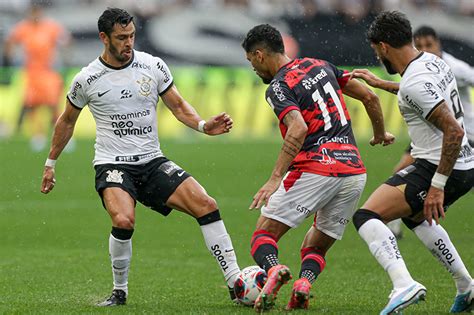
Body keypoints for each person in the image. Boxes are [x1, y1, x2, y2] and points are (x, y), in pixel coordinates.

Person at [40, 8, 240, 307]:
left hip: (151, 160)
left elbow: (178, 105)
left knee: (207, 205)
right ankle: (119, 292)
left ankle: (237, 282)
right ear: (103, 38)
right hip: (113, 165)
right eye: (121, 38)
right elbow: (66, 121)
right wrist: (50, 164)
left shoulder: (152, 65)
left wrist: (202, 125)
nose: (129, 42)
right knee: (124, 219)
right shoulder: (87, 78)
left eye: (132, 35)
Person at [241, 24, 394, 312]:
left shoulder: (279, 86)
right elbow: (370, 97)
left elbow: (297, 129)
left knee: (263, 236)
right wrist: (380, 134)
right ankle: (304, 284)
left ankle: (273, 271)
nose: (254, 69)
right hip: (353, 171)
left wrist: (275, 179)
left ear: (259, 55)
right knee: (316, 245)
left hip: (315, 166)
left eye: (251, 62)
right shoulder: (321, 65)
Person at [350, 11, 474, 314]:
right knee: (416, 217)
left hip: (441, 167)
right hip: (465, 164)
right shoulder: (432, 61)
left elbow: (454, 131)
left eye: (376, 51)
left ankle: (403, 283)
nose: (378, 56)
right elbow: (419, 92)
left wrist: (437, 186)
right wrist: (381, 84)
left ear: (383, 46)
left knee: (366, 216)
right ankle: (467, 287)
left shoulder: (413, 82)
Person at [4, 2, 71, 151]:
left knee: (53, 105)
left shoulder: (51, 27)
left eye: (36, 12)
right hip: (32, 73)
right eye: (32, 12)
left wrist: (65, 59)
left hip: (48, 72)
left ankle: (62, 138)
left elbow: (66, 40)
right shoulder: (24, 27)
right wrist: (9, 57)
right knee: (32, 106)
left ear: (40, 12)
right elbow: (10, 41)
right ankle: (38, 135)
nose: (35, 15)